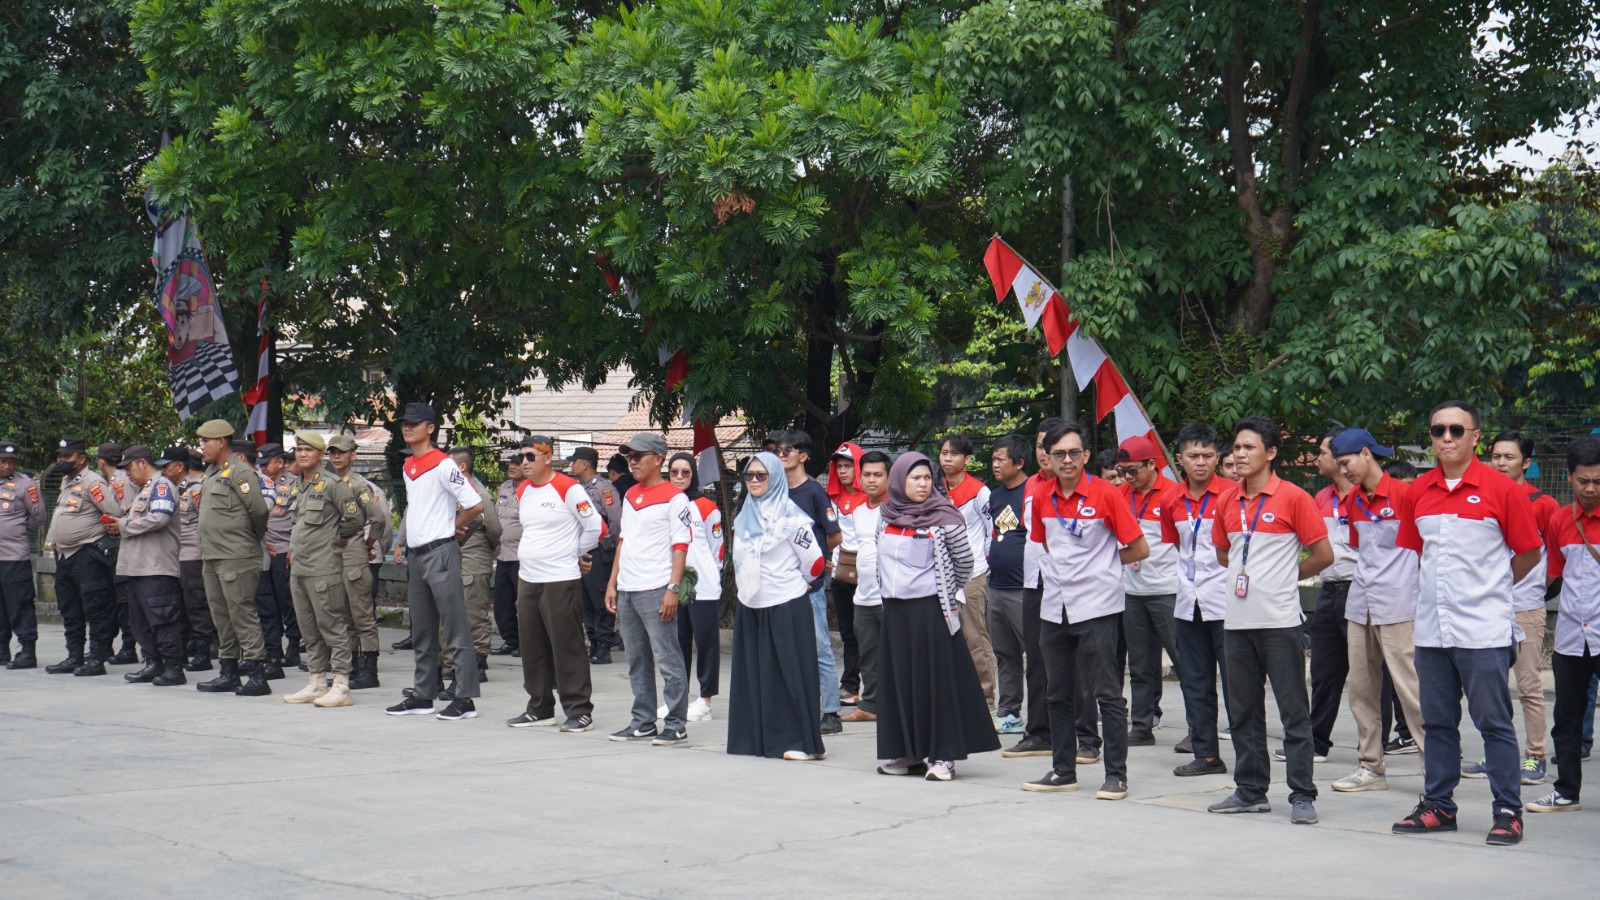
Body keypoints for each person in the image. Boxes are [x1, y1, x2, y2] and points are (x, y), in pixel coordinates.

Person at [1391, 400, 1541, 846]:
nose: (1447, 438)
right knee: (1437, 723)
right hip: (1433, 631)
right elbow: (1420, 552)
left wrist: (1490, 588)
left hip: (1484, 629)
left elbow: (1529, 553)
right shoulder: (1418, 491)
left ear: (1476, 436)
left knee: (1492, 722)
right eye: (1438, 430)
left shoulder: (1503, 490)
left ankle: (1508, 811)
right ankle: (1439, 806)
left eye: (1457, 430)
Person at [1206, 416, 1332, 824]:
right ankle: (1250, 790)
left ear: (1271, 453)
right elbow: (1224, 552)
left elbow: (1323, 554)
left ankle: (1301, 794)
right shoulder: (1227, 500)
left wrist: (1282, 577)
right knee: (1243, 711)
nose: (1239, 455)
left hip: (1280, 622)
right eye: (1236, 448)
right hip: (1237, 623)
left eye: (1249, 448)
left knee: (1293, 711)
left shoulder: (1294, 497)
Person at [1021, 424, 1148, 799]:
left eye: (1073, 453)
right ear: (1047, 456)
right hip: (1055, 605)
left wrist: (1104, 564)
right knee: (1057, 692)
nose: (1066, 460)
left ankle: (1116, 775)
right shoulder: (1042, 495)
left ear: (1086, 456)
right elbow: (1044, 545)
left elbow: (1139, 549)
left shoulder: (1106, 494)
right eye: (1058, 454)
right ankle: (1063, 770)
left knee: (1106, 691)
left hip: (1097, 605)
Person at [875, 452, 998, 781]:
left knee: (936, 682)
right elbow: (880, 560)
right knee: (901, 680)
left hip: (931, 611)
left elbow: (964, 564)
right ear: (900, 480)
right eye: (915, 478)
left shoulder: (946, 517)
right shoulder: (886, 515)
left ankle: (943, 755)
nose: (922, 483)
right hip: (896, 611)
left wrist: (946, 592)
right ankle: (908, 751)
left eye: (927, 478)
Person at [1329, 427, 1427, 794]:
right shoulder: (1352, 500)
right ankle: (1370, 767)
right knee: (1362, 690)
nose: (1344, 470)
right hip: (1360, 604)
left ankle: (1433, 765)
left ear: (1366, 454)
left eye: (1346, 462)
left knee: (1411, 689)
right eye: (1339, 464)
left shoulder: (1406, 495)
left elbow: (1423, 548)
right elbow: (1360, 549)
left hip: (1400, 604)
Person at [384, 403, 486, 721]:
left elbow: (475, 504)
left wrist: (454, 526)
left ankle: (465, 697)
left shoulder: (444, 465)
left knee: (454, 626)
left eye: (414, 423)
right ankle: (424, 694)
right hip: (417, 554)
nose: (407, 427)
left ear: (430, 428)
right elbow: (415, 508)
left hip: (440, 551)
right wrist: (402, 541)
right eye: (405, 423)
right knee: (423, 630)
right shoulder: (409, 465)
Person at [1470, 430, 1558, 786]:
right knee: (1491, 687)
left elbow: (1554, 562)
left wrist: (1532, 591)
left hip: (1525, 608)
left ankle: (1535, 755)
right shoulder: (1483, 496)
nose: (1501, 463)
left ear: (1527, 463)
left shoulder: (1543, 504)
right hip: (1487, 609)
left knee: (1528, 687)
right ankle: (1499, 751)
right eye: (1496, 456)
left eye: (1509, 457)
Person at [727, 452, 828, 760]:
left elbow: (815, 562)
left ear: (775, 477)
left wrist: (797, 585)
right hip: (751, 604)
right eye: (750, 476)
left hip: (785, 603)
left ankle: (802, 744)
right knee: (755, 677)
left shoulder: (791, 516)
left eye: (762, 475)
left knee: (791, 676)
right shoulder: (744, 513)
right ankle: (755, 741)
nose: (755, 481)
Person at [507, 436, 602, 733]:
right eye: (521, 456)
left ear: (547, 458)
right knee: (532, 647)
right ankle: (539, 707)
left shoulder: (568, 488)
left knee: (567, 646)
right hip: (529, 578)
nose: (524, 461)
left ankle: (579, 710)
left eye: (531, 456)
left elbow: (595, 526)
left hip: (560, 579)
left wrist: (574, 553)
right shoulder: (523, 490)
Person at [604, 432, 692, 745]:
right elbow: (623, 541)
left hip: (656, 588)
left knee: (668, 659)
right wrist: (613, 582)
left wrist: (673, 588)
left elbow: (680, 546)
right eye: (629, 456)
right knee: (637, 660)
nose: (632, 461)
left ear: (658, 458)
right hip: (628, 588)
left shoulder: (676, 498)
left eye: (638, 456)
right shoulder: (630, 496)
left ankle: (677, 724)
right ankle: (643, 721)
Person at [1530, 435, 1600, 814]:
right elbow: (1553, 577)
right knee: (1566, 718)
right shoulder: (1560, 519)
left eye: (1599, 481)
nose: (1590, 489)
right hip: (1572, 635)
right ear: (1569, 477)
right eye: (1583, 480)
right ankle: (1567, 792)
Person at [1159, 423, 1231, 777]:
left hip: (1228, 603)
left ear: (1218, 457)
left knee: (1237, 684)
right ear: (1180, 459)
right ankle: (1206, 755)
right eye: (1193, 456)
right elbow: (1178, 544)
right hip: (1188, 602)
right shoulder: (1170, 499)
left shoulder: (1233, 494)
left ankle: (1248, 754)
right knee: (1196, 681)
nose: (1200, 462)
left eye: (1207, 455)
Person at [278, 431, 365, 708]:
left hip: (324, 567)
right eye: (298, 449)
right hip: (300, 568)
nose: (302, 454)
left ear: (320, 455)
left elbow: (354, 519)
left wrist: (332, 537)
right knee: (308, 628)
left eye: (308, 450)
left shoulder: (333, 484)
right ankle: (317, 682)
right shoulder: (298, 486)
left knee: (333, 626)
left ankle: (341, 685)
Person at [1001, 416, 1066, 761]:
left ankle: (1082, 735)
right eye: (1041, 446)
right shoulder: (1032, 486)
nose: (1045, 453)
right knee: (1037, 660)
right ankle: (1039, 731)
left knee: (1076, 663)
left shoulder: (1083, 488)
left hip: (1070, 584)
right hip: (1034, 582)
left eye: (1051, 447)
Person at [192, 420, 271, 695]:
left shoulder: (240, 473)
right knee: (221, 616)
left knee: (242, 614)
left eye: (205, 442)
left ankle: (257, 674)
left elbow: (259, 512)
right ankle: (228, 671)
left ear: (221, 442)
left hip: (237, 556)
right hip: (213, 556)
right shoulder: (212, 473)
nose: (201, 447)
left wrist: (249, 539)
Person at [774, 431, 844, 735]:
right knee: (785, 649)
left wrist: (818, 560)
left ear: (803, 456)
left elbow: (834, 534)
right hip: (780, 583)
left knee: (819, 649)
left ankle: (831, 712)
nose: (781, 455)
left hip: (810, 585)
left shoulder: (815, 492)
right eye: (778, 450)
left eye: (787, 450)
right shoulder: (773, 492)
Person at [1117, 434, 1179, 747]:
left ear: (1152, 465)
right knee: (1140, 664)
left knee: (1184, 662)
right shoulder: (1121, 494)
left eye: (1133, 470)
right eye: (1122, 470)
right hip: (1132, 591)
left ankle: (1199, 729)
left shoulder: (1173, 494)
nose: (1127, 477)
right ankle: (1141, 726)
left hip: (1168, 590)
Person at [1301, 427, 1358, 765]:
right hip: (1329, 590)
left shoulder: (1369, 496)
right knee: (1323, 671)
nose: (1317, 458)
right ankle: (1316, 740)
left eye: (1323, 452)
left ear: (1341, 458)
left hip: (1361, 591)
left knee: (1369, 676)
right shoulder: (1321, 498)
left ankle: (1374, 747)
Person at [108, 446, 187, 686]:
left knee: (162, 619)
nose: (127, 474)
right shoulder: (144, 490)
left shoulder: (161, 486)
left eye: (130, 467)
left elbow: (159, 519)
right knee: (139, 621)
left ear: (142, 463)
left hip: (155, 567)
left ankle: (173, 668)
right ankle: (153, 663)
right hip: (136, 568)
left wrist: (123, 526)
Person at [44, 436, 124, 676]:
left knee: (96, 607)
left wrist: (99, 535)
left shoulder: (93, 483)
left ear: (81, 459)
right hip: (65, 556)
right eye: (59, 456)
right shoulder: (66, 483)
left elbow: (114, 513)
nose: (61, 461)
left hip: (87, 554)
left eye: (67, 457)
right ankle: (74, 655)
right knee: (70, 609)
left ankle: (97, 658)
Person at [328, 433, 392, 689]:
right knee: (344, 617)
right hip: (333, 557)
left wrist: (367, 544)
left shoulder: (358, 485)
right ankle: (352, 666)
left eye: (341, 452)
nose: (336, 457)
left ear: (352, 455)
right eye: (332, 452)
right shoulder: (328, 483)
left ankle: (369, 670)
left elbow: (376, 518)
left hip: (354, 556)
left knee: (362, 616)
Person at [939, 433, 996, 711]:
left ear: (967, 459)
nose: (947, 459)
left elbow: (991, 531)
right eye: (944, 453)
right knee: (946, 638)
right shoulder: (935, 489)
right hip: (941, 577)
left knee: (974, 636)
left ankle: (986, 697)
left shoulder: (980, 491)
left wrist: (983, 565)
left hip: (973, 574)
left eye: (954, 454)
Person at [669, 451, 723, 722]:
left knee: (706, 644)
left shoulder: (706, 507)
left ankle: (705, 701)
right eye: (674, 472)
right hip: (672, 587)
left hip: (702, 587)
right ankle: (676, 700)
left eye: (685, 472)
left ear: (694, 475)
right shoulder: (664, 502)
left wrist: (709, 576)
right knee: (676, 644)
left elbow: (717, 551)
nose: (679, 477)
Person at [840, 451, 890, 724]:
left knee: (899, 654)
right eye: (867, 474)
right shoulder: (859, 512)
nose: (871, 480)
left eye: (878, 475)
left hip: (891, 596)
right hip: (864, 596)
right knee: (868, 655)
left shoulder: (897, 508)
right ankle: (870, 706)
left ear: (889, 477)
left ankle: (903, 704)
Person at [985, 435, 1031, 734]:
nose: (995, 464)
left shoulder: (1034, 492)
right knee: (1005, 654)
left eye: (1001, 459)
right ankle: (1009, 713)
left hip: (1024, 588)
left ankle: (1050, 713)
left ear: (1020, 462)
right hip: (997, 586)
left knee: (1039, 654)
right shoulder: (996, 496)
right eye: (994, 459)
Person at [446, 446, 500, 693]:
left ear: (462, 468)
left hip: (474, 559)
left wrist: (485, 550)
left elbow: (495, 530)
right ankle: (457, 661)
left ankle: (479, 661)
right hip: (454, 560)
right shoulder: (451, 492)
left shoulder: (478, 494)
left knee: (473, 612)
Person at [569, 446, 624, 663]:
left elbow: (616, 522)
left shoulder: (605, 489)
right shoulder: (575, 489)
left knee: (601, 600)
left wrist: (612, 551)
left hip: (600, 552)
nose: (571, 465)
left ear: (584, 464)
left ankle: (604, 645)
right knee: (585, 600)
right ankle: (593, 641)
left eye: (574, 461)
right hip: (581, 551)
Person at [0, 439, 47, 669]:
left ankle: (27, 651)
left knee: (20, 605)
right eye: (3, 461)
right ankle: (1, 651)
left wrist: (16, 529)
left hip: (14, 557)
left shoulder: (26, 485)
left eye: (11, 462)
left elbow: (37, 517)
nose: (7, 466)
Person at [826, 442, 866, 705]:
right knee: (848, 633)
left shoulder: (874, 499)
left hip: (868, 576)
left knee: (871, 634)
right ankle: (850, 687)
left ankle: (877, 689)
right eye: (839, 466)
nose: (842, 471)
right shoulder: (832, 499)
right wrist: (825, 558)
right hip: (840, 576)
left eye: (848, 466)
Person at [169, 447, 215, 671]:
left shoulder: (197, 489)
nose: (163, 471)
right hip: (175, 555)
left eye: (166, 466)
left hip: (194, 555)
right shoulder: (176, 489)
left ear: (180, 466)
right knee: (180, 606)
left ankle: (203, 652)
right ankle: (185, 648)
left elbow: (208, 523)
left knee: (197, 606)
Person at [256, 442, 298, 678]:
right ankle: (272, 648)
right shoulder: (257, 484)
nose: (262, 467)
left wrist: (294, 547)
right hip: (264, 549)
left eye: (266, 463)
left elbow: (299, 519)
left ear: (280, 463)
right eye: (259, 463)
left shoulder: (294, 485)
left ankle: (293, 645)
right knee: (266, 603)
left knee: (287, 602)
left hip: (284, 549)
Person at [97, 441, 140, 665]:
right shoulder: (115, 480)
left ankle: (129, 646)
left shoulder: (120, 482)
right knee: (117, 600)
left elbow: (126, 512)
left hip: (125, 544)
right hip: (120, 545)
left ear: (101, 462)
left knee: (125, 600)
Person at [491, 451, 524, 656]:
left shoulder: (531, 490)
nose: (512, 467)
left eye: (517, 464)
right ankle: (510, 641)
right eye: (510, 463)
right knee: (502, 604)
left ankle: (526, 643)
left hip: (521, 556)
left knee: (524, 604)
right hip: (502, 555)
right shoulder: (504, 488)